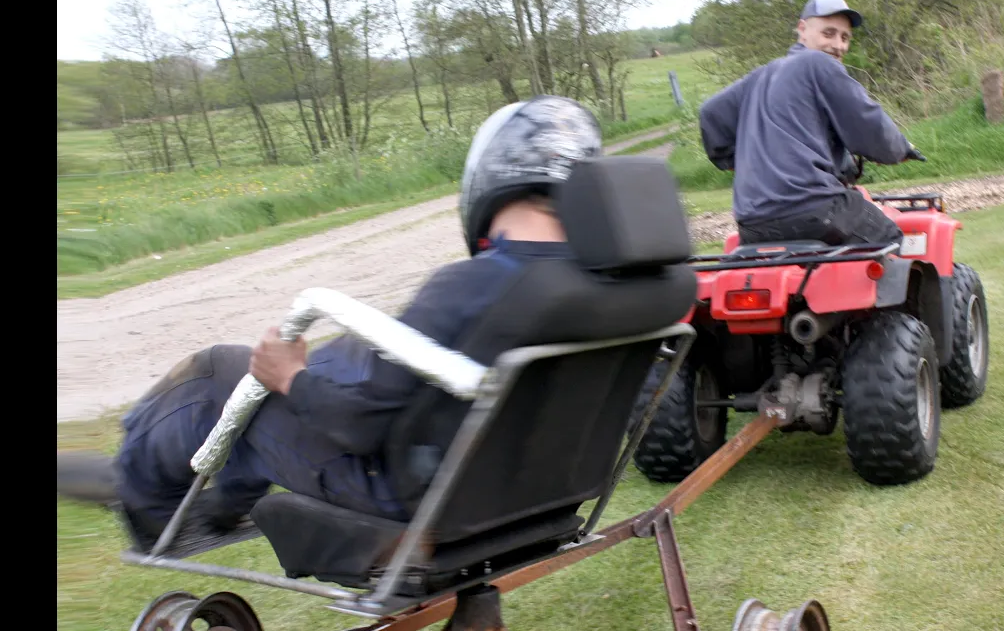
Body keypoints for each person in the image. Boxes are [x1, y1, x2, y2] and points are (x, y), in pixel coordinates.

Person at [56, 94, 606, 550]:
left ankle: (144, 500)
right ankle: (217, 502)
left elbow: (357, 427)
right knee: (336, 357)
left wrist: (290, 378)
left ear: (493, 175)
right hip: (537, 492)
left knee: (217, 375)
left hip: (411, 494)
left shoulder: (476, 284)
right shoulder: (625, 286)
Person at [698, 0, 924, 247]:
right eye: (828, 33)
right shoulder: (820, 63)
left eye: (845, 37)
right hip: (814, 209)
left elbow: (710, 114)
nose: (838, 45)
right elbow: (866, 122)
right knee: (889, 239)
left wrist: (736, 162)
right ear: (802, 29)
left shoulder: (759, 76)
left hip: (752, 222)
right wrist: (900, 150)